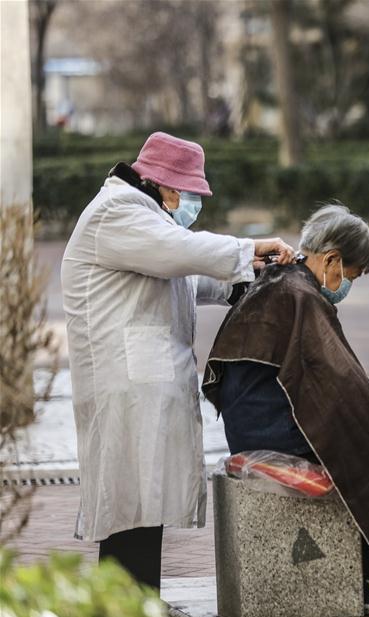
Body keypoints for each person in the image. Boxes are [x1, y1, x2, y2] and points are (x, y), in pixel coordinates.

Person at [60, 131, 295, 591]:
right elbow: (181, 253)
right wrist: (248, 249)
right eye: (187, 192)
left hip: (141, 384)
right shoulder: (117, 212)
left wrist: (243, 279)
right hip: (124, 385)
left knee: (143, 504)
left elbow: (184, 277)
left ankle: (136, 603)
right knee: (130, 508)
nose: (190, 203)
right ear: (164, 184)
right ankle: (126, 607)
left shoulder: (147, 221)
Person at [202, 205, 369, 616]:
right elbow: (339, 382)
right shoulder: (301, 296)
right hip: (276, 426)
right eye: (351, 275)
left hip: (254, 420)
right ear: (332, 259)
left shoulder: (279, 282)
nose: (346, 284)